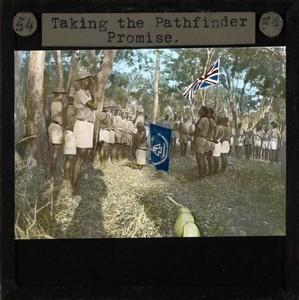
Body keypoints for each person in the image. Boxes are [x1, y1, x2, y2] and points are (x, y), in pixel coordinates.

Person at [72, 70, 99, 190]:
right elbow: (95, 106)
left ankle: (76, 183)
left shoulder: (86, 94)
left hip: (87, 126)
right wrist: (93, 90)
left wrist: (92, 91)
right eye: (89, 80)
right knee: (80, 156)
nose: (91, 82)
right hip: (82, 125)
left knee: (83, 156)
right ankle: (73, 186)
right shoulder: (80, 93)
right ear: (84, 81)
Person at [48, 87, 67, 177]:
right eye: (61, 95)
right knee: (56, 151)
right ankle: (52, 170)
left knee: (55, 150)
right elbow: (61, 114)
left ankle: (52, 168)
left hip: (53, 126)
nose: (62, 96)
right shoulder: (58, 104)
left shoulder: (53, 103)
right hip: (56, 127)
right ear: (58, 94)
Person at [62, 89, 77, 181]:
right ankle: (67, 178)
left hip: (67, 133)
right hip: (70, 133)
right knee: (70, 158)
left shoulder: (65, 108)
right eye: (71, 98)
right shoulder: (71, 109)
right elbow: (72, 123)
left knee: (69, 157)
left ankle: (67, 177)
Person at [192, 106, 209, 179]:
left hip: (199, 139)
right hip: (204, 139)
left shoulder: (202, 120)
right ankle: (203, 175)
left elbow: (197, 130)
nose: (199, 111)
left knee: (199, 159)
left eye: (200, 110)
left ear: (203, 112)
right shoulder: (206, 119)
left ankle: (200, 176)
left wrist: (192, 133)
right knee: (203, 158)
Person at [206, 108, 217, 176]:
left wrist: (213, 138)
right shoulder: (209, 120)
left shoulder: (211, 120)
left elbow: (215, 129)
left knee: (209, 157)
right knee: (209, 157)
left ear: (210, 114)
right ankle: (210, 171)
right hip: (209, 139)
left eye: (208, 113)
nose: (207, 114)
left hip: (210, 140)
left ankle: (210, 172)